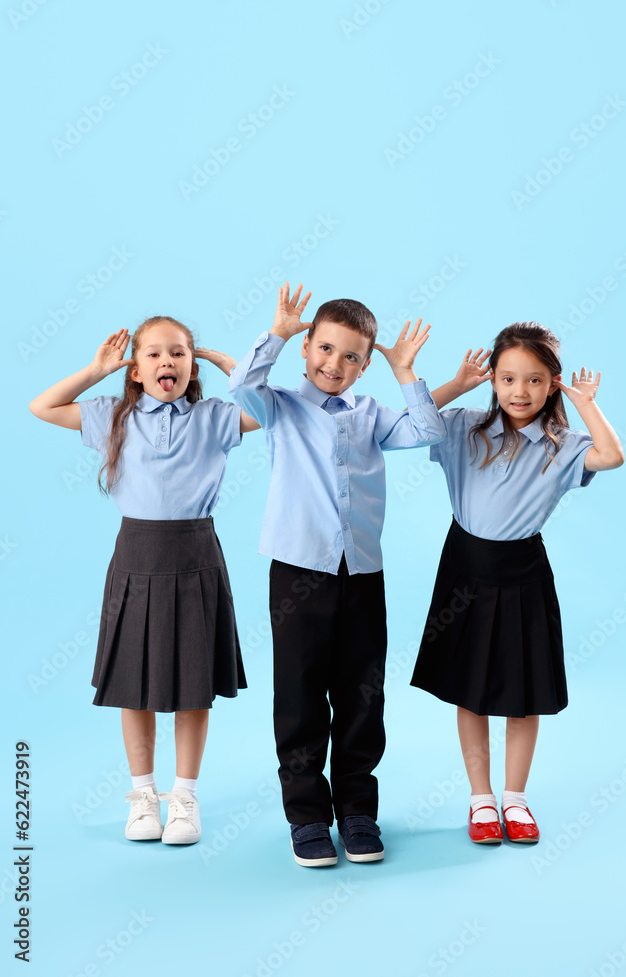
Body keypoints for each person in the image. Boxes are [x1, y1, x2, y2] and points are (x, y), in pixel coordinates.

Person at [228, 282, 446, 867]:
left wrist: (406, 372)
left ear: (366, 363)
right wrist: (278, 331)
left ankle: (357, 813)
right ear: (307, 350)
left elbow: (428, 431)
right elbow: (241, 386)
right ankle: (306, 818)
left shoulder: (372, 414)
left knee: (361, 694)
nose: (334, 364)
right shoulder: (279, 407)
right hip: (299, 570)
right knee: (299, 696)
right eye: (324, 349)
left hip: (362, 574)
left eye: (351, 356)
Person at [29, 317, 259, 845]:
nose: (167, 363)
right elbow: (41, 406)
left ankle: (184, 798)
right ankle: (143, 797)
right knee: (135, 683)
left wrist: (234, 368)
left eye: (178, 353)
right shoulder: (113, 416)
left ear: (191, 365)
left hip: (197, 554)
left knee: (193, 685)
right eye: (153, 355)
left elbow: (273, 413)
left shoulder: (214, 418)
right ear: (135, 370)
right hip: (135, 556)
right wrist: (95, 370)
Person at [410, 322, 624, 844]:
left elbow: (612, 456)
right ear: (495, 382)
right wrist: (457, 384)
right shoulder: (464, 427)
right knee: (470, 690)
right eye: (507, 379)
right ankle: (481, 800)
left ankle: (515, 799)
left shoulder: (564, 444)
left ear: (552, 384)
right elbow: (412, 421)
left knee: (523, 695)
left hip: (524, 574)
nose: (518, 392)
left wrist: (586, 403)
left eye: (532, 380)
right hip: (463, 568)